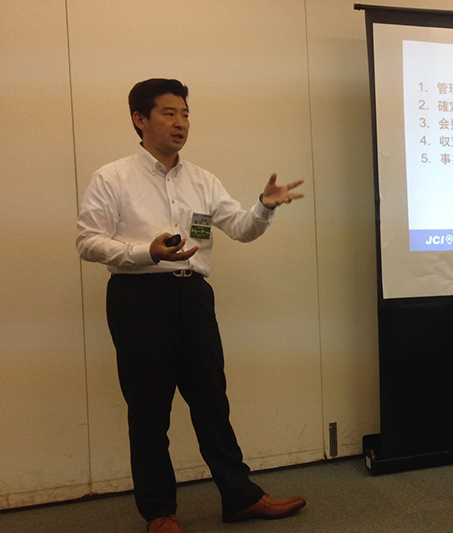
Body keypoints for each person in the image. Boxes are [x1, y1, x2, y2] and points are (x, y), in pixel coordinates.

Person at [76, 78, 306, 533]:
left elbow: (240, 228)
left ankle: (240, 498)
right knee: (149, 409)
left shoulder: (203, 180)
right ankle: (159, 512)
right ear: (140, 119)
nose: (180, 123)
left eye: (185, 114)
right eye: (169, 113)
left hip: (194, 296)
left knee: (211, 401)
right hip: (139, 298)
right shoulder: (112, 177)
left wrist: (264, 206)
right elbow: (87, 241)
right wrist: (146, 252)